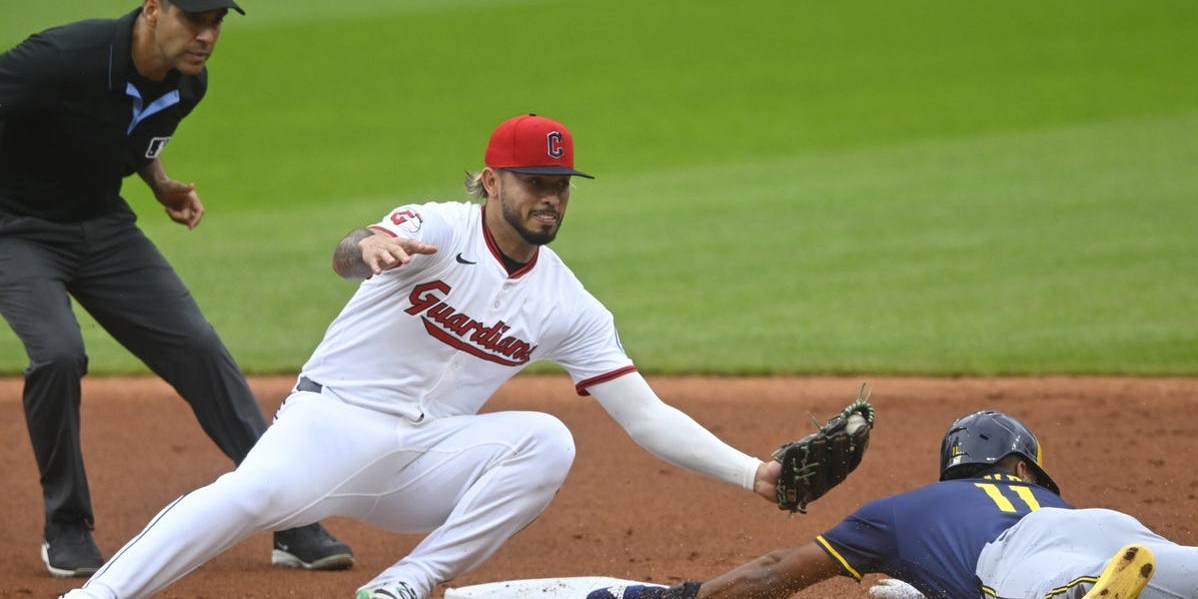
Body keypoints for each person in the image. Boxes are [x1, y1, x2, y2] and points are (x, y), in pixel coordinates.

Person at [59, 112, 786, 599]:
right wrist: (365, 247)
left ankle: (403, 584)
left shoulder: (568, 302)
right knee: (244, 497)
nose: (551, 200)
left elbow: (646, 417)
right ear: (492, 180)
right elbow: (352, 252)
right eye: (536, 183)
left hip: (423, 462)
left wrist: (754, 474)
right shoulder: (435, 226)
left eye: (561, 187)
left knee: (546, 439)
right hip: (332, 426)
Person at [0, 0, 352, 578]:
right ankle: (67, 524)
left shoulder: (189, 82)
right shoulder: (60, 60)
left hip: (100, 226)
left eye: (217, 20)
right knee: (57, 352)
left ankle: (289, 517)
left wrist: (159, 183)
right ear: (152, 8)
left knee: (198, 347)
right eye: (193, 19)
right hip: (15, 230)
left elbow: (129, 133)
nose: (207, 35)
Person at [588, 409, 1198, 599]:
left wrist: (682, 598)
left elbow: (778, 571)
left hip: (1028, 560)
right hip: (1119, 533)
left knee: (1053, 585)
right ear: (1022, 467)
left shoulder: (905, 511)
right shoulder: (1047, 497)